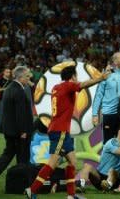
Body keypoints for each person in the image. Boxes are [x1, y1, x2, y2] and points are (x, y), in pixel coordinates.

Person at [26, 65, 109, 199]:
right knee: (52, 162)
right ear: (72, 76)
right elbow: (83, 85)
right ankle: (32, 190)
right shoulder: (68, 85)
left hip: (60, 130)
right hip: (60, 131)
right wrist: (101, 78)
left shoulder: (56, 87)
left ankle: (71, 195)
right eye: (76, 76)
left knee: (72, 162)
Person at [0, 66, 34, 195]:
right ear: (20, 77)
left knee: (8, 155)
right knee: (22, 158)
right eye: (27, 76)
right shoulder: (19, 91)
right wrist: (23, 131)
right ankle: (23, 185)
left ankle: (21, 184)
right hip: (18, 132)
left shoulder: (10, 88)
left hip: (10, 131)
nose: (28, 78)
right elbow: (20, 113)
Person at [77, 124, 120, 192]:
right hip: (100, 177)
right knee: (87, 166)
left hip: (115, 179)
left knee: (113, 170)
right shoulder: (111, 143)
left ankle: (108, 186)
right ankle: (80, 186)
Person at [92, 51, 120, 143]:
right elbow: (98, 95)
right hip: (109, 113)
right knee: (108, 142)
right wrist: (94, 114)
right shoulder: (106, 75)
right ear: (115, 62)